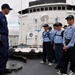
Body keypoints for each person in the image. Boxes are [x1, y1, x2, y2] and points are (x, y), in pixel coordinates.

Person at [0, 4, 12, 75]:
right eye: (9, 9)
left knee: (6, 54)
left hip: (5, 37)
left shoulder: (4, 17)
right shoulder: (0, 16)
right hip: (1, 37)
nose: (9, 11)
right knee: (2, 54)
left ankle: (3, 68)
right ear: (5, 9)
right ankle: (0, 70)